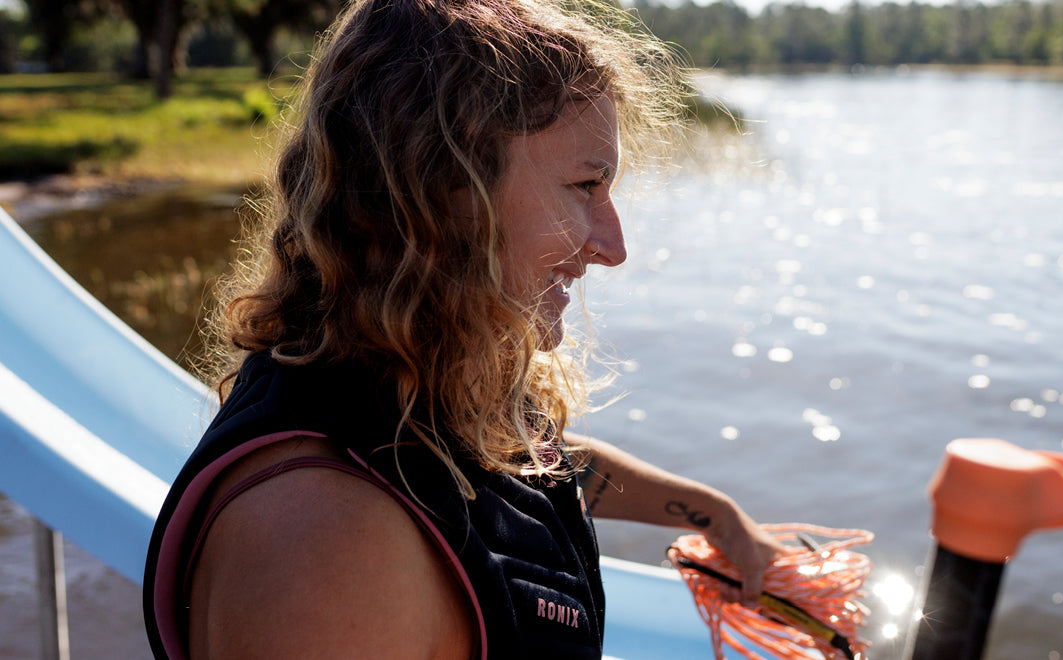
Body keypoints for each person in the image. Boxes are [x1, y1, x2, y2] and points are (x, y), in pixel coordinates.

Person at [144, 0, 787, 657]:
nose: (613, 247)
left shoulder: (404, 376)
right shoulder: (331, 550)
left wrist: (715, 516)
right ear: (442, 190)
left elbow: (526, 461)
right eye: (585, 185)